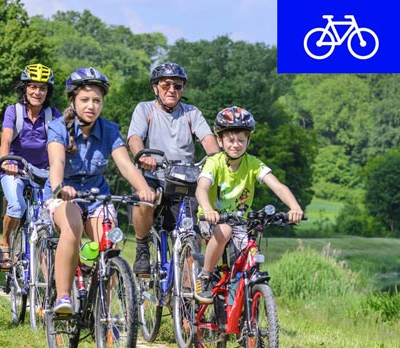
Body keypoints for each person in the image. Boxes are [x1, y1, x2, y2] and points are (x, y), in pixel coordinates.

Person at [44, 67, 155, 314]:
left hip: (96, 197)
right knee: (72, 229)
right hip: (64, 195)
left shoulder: (109, 130)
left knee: (109, 245)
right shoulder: (58, 127)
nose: (91, 106)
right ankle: (63, 298)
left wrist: (144, 189)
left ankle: (102, 312)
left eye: (97, 100)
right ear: (72, 101)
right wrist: (60, 187)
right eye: (85, 100)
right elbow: (57, 163)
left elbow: (125, 165)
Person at [193, 106, 304, 303]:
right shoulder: (214, 162)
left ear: (248, 141)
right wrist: (208, 210)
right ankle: (206, 275)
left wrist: (294, 208)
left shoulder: (253, 163)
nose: (236, 144)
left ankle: (242, 307)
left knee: (251, 253)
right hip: (211, 219)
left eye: (241, 140)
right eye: (230, 140)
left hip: (239, 223)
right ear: (220, 140)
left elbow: (277, 186)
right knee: (225, 231)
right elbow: (201, 188)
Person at [127, 62, 220, 276]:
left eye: (177, 86)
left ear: (183, 90)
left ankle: (186, 297)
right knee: (144, 200)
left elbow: (208, 140)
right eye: (166, 85)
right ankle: (142, 248)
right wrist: (143, 156)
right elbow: (134, 139)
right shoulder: (145, 109)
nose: (172, 90)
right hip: (152, 175)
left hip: (184, 181)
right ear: (155, 88)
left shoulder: (191, 113)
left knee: (192, 234)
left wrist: (216, 161)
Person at [0, 63, 61, 271]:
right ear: (24, 88)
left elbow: (61, 144)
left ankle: (48, 279)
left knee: (47, 219)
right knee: (17, 206)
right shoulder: (13, 111)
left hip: (44, 174)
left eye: (42, 88)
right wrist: (6, 161)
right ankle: (5, 244)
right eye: (33, 86)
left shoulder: (53, 114)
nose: (37, 92)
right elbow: (5, 140)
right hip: (15, 169)